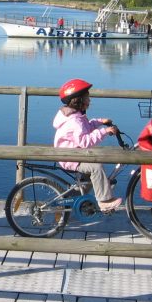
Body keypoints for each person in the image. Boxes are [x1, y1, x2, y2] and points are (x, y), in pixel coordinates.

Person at [53, 78, 122, 212]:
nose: (90, 100)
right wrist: (104, 131)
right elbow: (85, 141)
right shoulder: (74, 121)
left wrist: (100, 122)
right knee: (96, 167)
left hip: (74, 154)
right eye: (87, 98)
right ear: (79, 100)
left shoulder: (76, 116)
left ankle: (70, 199)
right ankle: (104, 201)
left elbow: (86, 127)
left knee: (91, 174)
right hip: (70, 157)